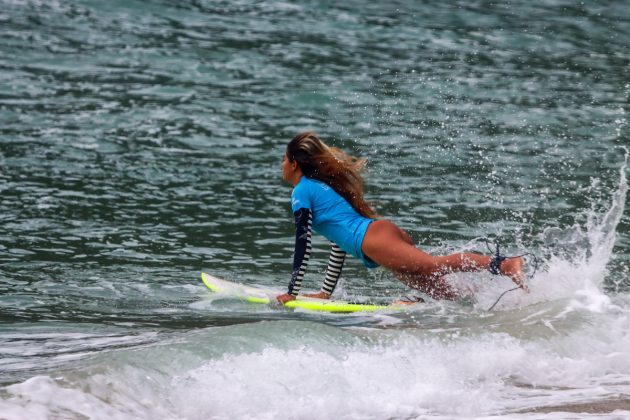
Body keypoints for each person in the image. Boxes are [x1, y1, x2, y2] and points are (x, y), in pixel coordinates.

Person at [276, 132, 526, 304]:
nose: (282, 164)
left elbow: (303, 243)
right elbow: (338, 243)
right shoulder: (317, 188)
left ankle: (505, 265)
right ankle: (473, 301)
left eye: (284, 159)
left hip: (374, 240)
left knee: (432, 266)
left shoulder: (302, 191)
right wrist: (324, 293)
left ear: (295, 164)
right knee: (426, 282)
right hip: (378, 235)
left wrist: (292, 292)